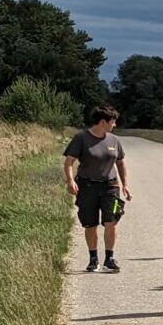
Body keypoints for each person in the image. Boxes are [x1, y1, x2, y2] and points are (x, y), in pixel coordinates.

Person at [62, 106, 131, 273]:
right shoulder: (81, 138)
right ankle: (93, 258)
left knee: (111, 221)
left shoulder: (114, 140)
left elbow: (120, 163)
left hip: (110, 186)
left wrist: (125, 185)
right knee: (90, 224)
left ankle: (110, 258)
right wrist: (70, 181)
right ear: (102, 122)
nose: (114, 125)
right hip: (87, 186)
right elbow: (69, 162)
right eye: (113, 121)